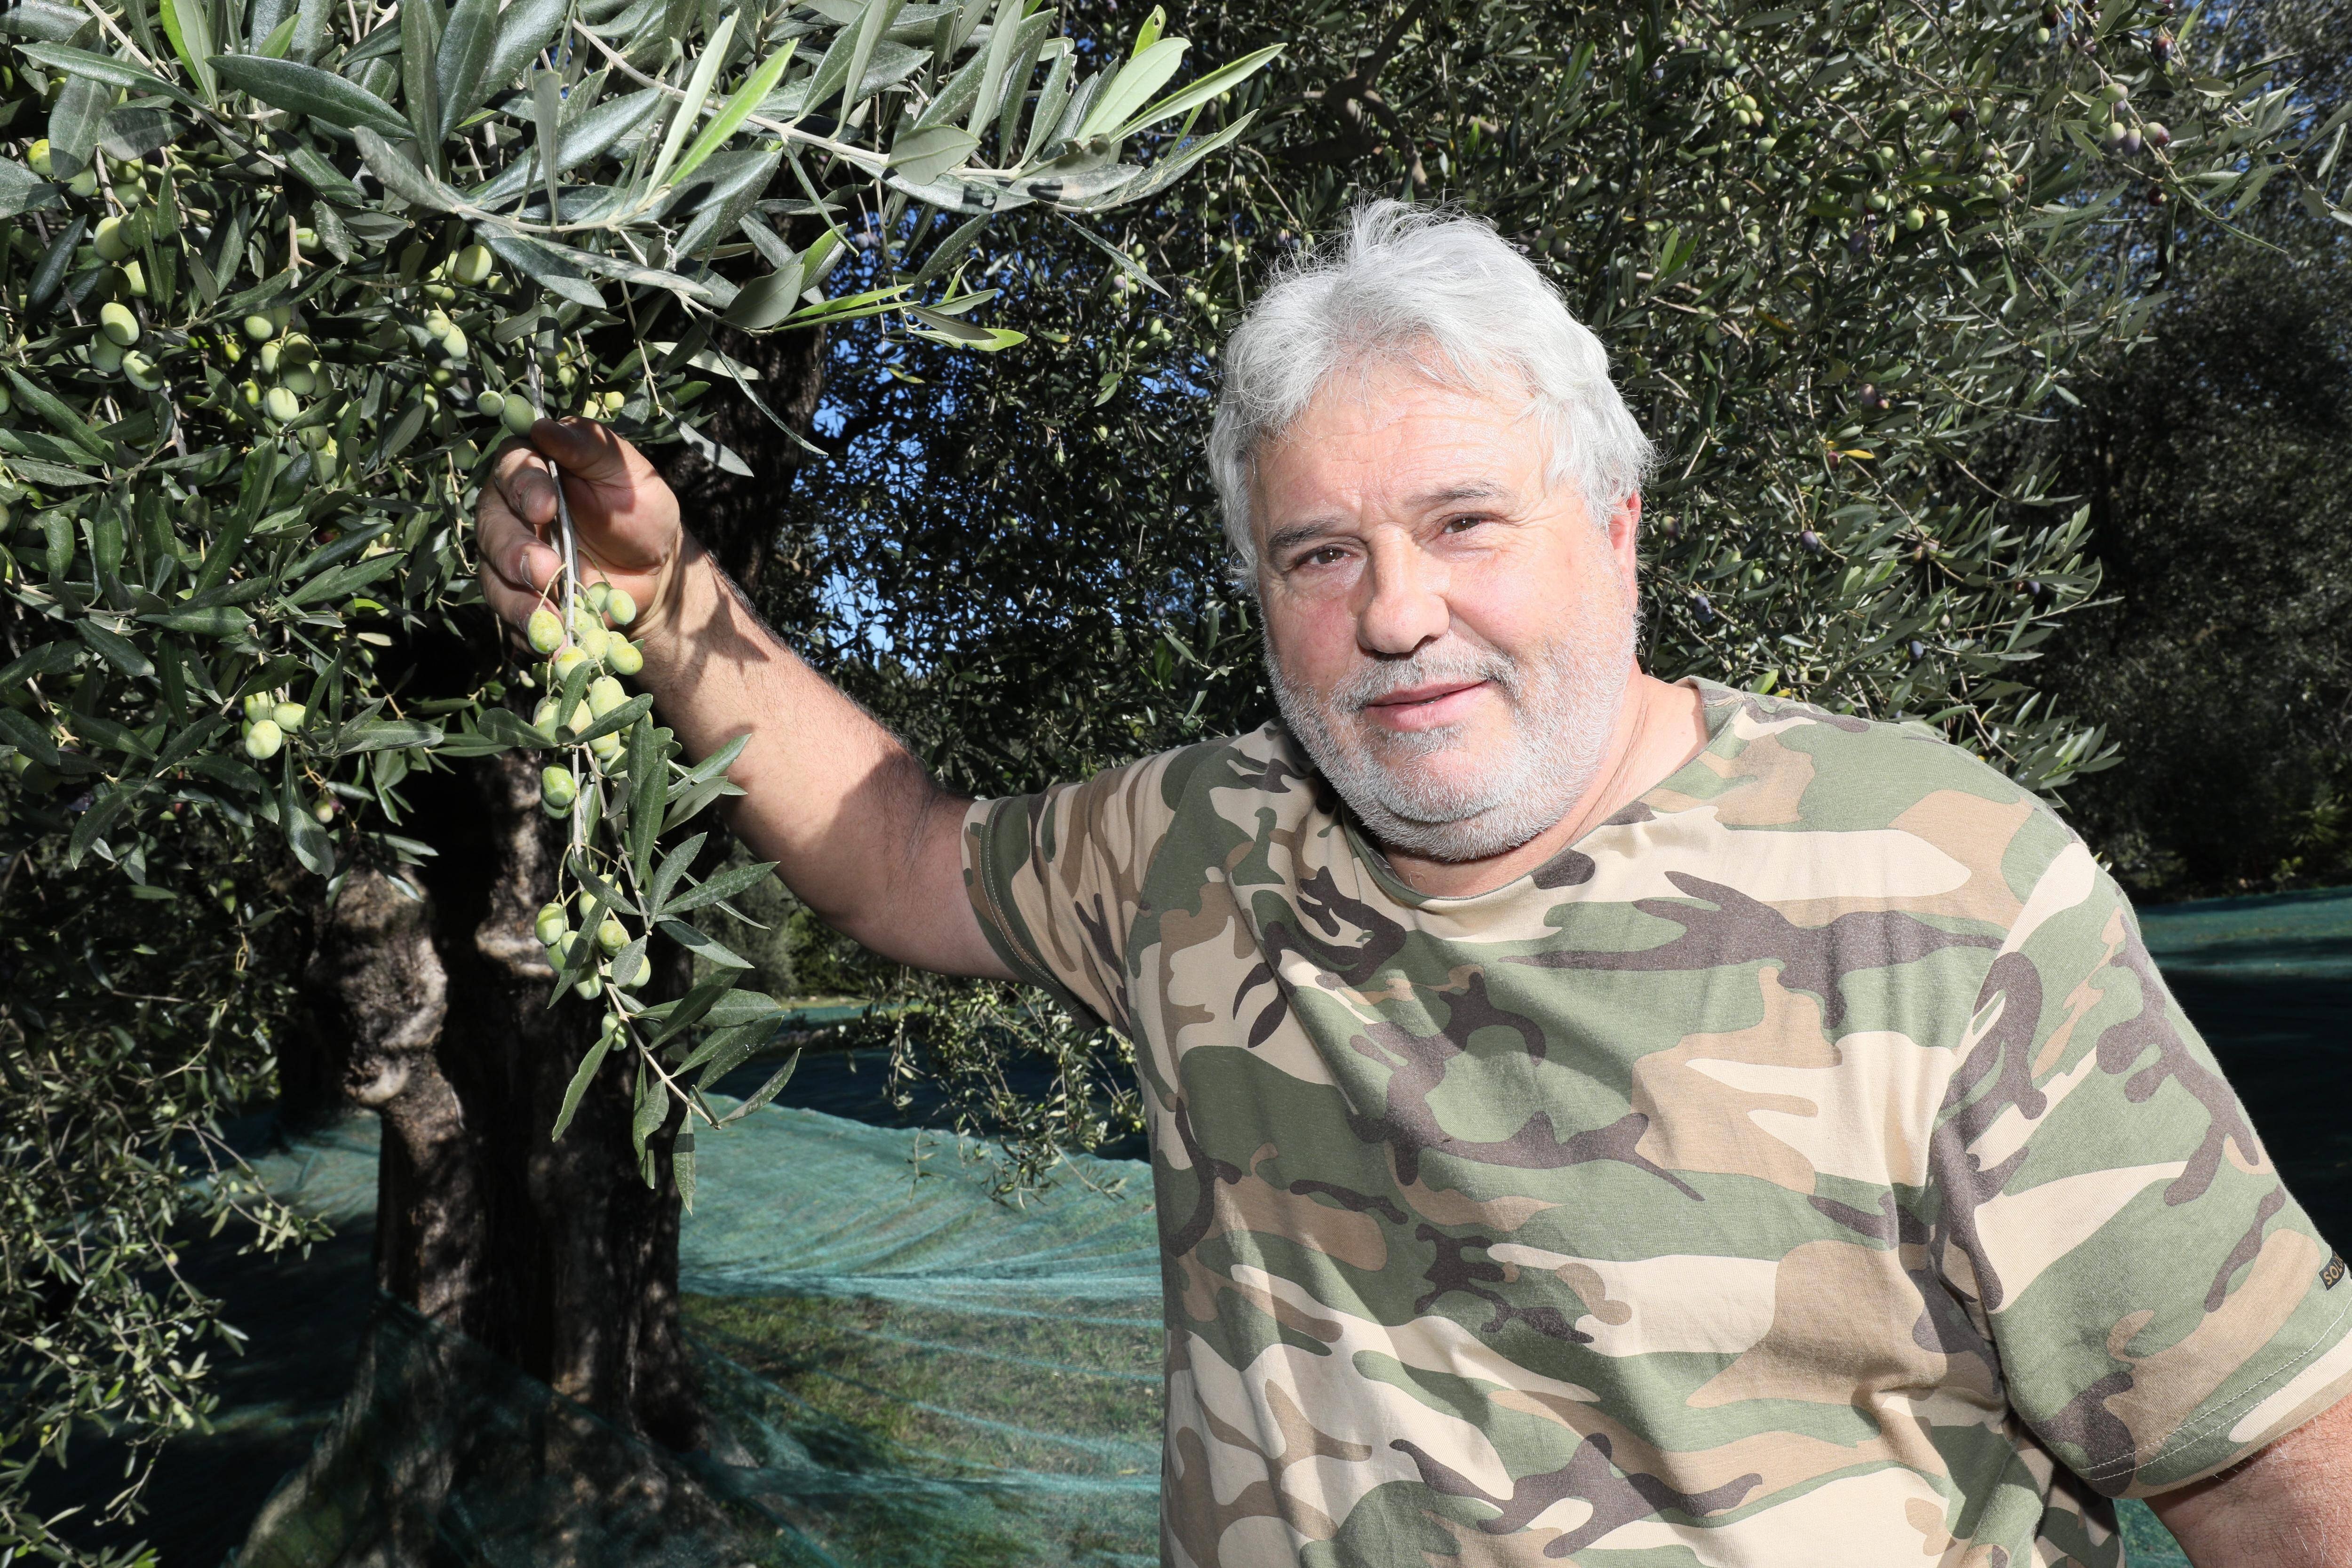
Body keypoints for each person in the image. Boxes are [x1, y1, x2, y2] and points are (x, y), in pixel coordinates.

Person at [477, 202, 2352, 1566]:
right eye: (1315, 553)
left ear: (1613, 529)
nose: (1392, 613)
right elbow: (895, 859)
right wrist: (662, 604)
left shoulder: (1926, 887)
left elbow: (2276, 1462)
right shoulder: (1200, 848)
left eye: (1464, 522)